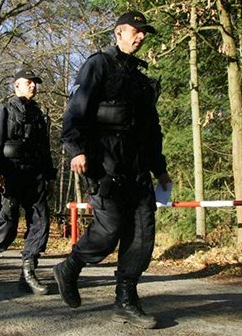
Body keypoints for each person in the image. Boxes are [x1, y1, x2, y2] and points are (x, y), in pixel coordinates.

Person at [54, 11, 171, 329]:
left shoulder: (139, 76)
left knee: (142, 235)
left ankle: (126, 300)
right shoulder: (98, 64)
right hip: (104, 164)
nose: (142, 36)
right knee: (109, 230)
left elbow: (151, 129)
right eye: (137, 30)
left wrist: (159, 169)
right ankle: (71, 266)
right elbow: (75, 112)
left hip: (137, 168)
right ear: (119, 32)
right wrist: (76, 149)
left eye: (145, 32)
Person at [0, 70, 56, 294]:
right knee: (8, 225)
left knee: (40, 222)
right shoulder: (3, 111)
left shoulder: (39, 115)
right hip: (10, 175)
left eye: (35, 83)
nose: (33, 86)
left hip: (35, 176)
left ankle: (28, 273)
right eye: (29, 83)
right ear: (16, 86)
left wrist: (50, 177)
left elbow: (45, 150)